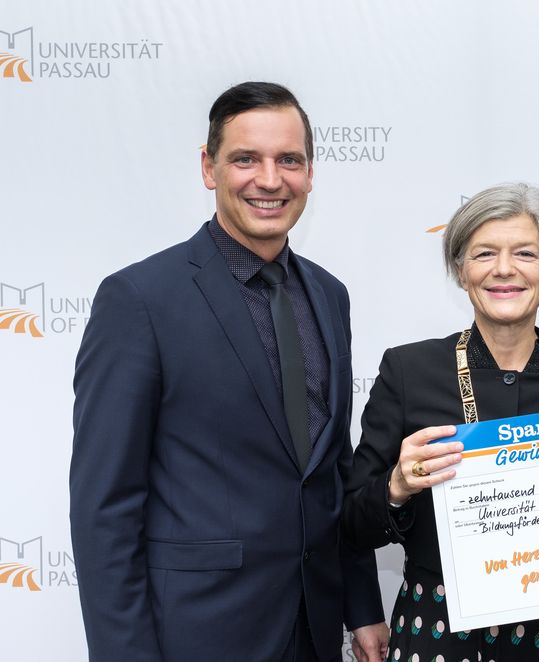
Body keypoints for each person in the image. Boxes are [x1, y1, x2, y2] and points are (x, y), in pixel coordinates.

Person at [70, 82, 388, 662]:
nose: (270, 180)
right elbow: (104, 508)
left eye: (288, 160)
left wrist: (362, 604)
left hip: (314, 630)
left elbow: (331, 471)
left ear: (310, 173)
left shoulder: (329, 294)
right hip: (197, 634)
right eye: (246, 159)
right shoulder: (139, 300)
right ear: (208, 167)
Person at [343, 183, 539, 661]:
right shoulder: (408, 372)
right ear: (460, 270)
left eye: (525, 253)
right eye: (484, 253)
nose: (504, 269)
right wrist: (396, 487)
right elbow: (349, 525)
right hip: (440, 631)